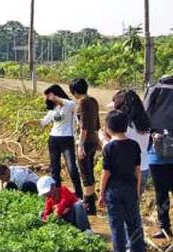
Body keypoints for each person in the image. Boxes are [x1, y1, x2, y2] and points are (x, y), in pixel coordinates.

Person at [98, 110, 146, 252]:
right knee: (134, 223)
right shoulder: (134, 145)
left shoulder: (109, 148)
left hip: (113, 190)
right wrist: (137, 190)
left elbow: (106, 173)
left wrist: (101, 194)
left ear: (108, 128)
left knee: (116, 225)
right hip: (131, 188)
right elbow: (137, 170)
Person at [99, 90, 151, 196]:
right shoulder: (145, 122)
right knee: (133, 206)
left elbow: (112, 148)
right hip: (144, 168)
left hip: (124, 171)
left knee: (118, 207)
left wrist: (102, 137)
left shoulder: (122, 124)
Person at [41, 85, 83, 199]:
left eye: (49, 96)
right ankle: (57, 194)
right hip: (53, 139)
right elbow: (44, 121)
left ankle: (79, 193)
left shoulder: (69, 105)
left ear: (55, 94)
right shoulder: (53, 109)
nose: (48, 99)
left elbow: (71, 104)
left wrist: (55, 98)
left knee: (71, 167)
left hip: (67, 138)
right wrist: (31, 122)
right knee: (55, 168)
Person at [144, 75, 173, 239]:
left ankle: (164, 226)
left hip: (157, 153)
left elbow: (145, 116)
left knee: (161, 192)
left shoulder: (155, 90)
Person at [69, 78, 100, 215]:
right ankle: (91, 200)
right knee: (89, 171)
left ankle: (89, 206)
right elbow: (97, 123)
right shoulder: (93, 101)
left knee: (85, 173)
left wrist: (80, 145)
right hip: (93, 140)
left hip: (85, 141)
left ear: (74, 91)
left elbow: (84, 127)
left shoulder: (82, 103)